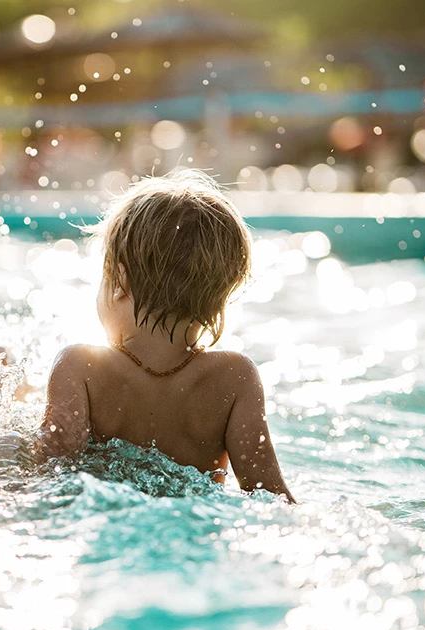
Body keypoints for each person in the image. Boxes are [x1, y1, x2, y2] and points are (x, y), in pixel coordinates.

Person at [38, 170, 295, 502]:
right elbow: (270, 496)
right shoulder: (235, 378)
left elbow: (49, 476)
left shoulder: (81, 366)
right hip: (197, 533)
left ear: (120, 282)